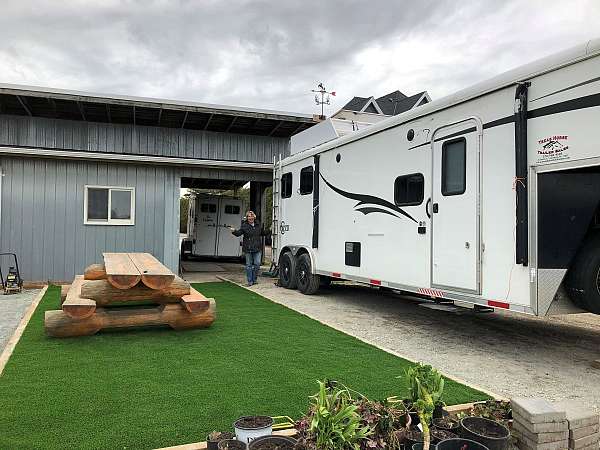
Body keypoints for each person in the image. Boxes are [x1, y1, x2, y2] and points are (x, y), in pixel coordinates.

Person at [229, 211, 270, 286]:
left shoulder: (258, 225)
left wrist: (270, 230)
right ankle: (250, 281)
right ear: (247, 218)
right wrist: (234, 231)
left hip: (257, 248)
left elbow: (263, 233)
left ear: (254, 217)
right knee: (249, 265)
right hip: (248, 248)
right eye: (248, 216)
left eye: (251, 216)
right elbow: (239, 233)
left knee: (257, 264)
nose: (250, 218)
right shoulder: (244, 226)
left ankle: (254, 279)